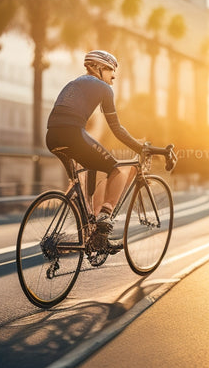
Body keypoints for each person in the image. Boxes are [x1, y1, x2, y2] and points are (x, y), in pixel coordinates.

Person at [46, 50, 143, 252]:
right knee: (116, 169)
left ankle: (89, 233)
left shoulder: (73, 84)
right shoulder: (103, 88)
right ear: (100, 68)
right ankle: (104, 219)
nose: (112, 80)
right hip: (73, 134)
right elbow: (116, 129)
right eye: (112, 74)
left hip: (52, 137)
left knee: (80, 184)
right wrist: (139, 147)